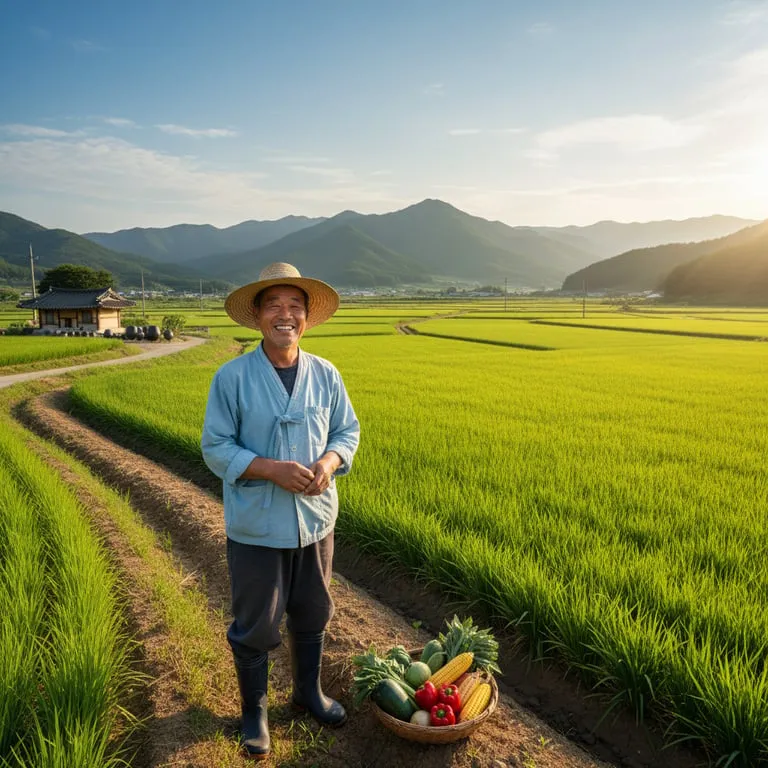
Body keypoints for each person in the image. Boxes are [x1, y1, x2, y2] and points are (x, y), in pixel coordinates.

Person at [201, 262, 360, 759]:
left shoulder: (326, 374)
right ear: (258, 317)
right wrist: (270, 469)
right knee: (257, 624)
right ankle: (255, 713)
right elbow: (215, 447)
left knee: (312, 612)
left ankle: (307, 692)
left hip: (315, 522)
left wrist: (331, 462)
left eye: (295, 307)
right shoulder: (232, 378)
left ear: (307, 319)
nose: (285, 315)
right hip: (257, 525)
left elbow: (346, 432)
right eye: (275, 306)